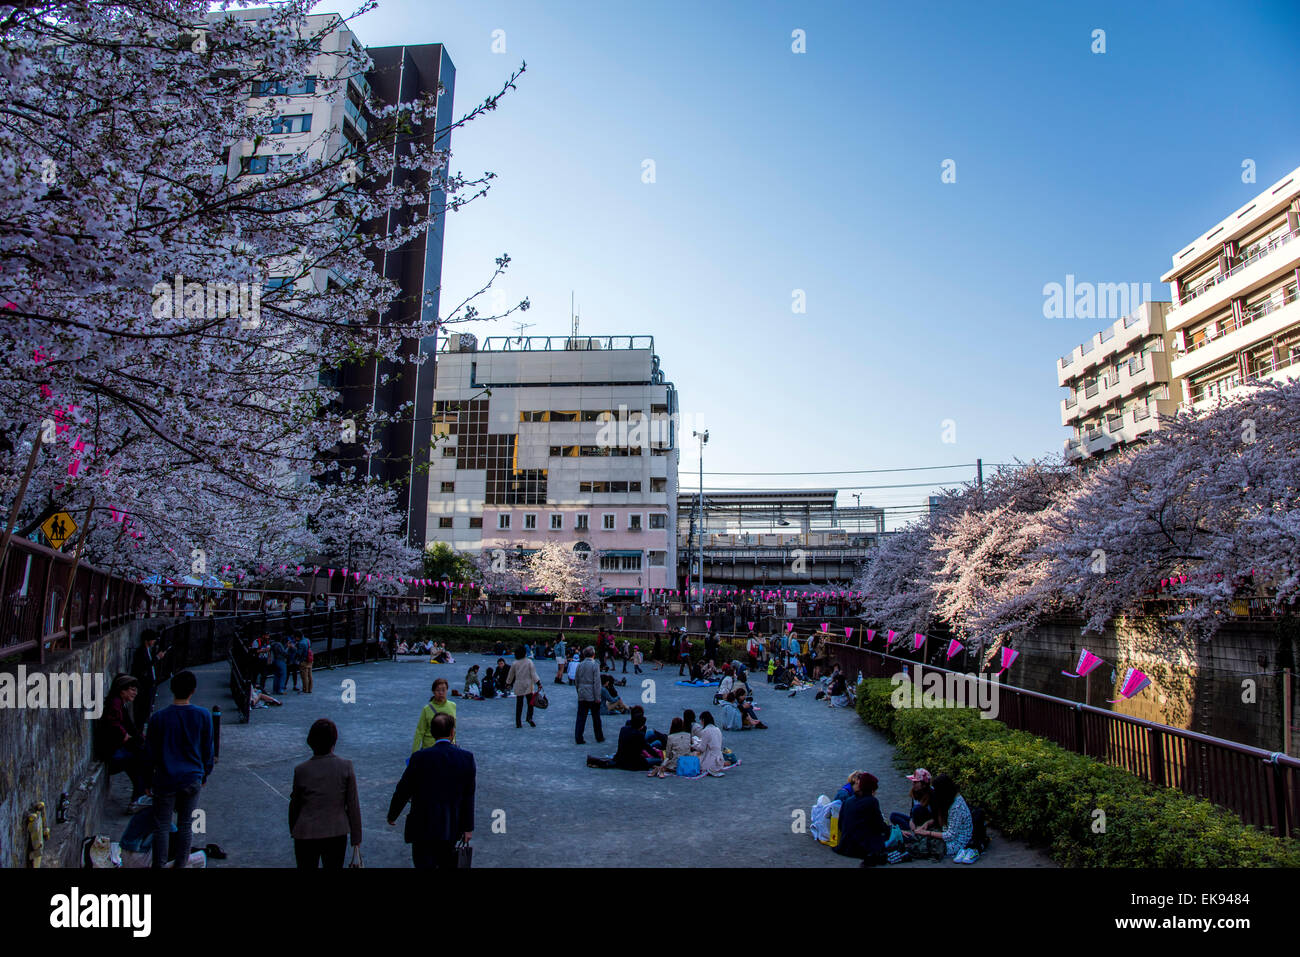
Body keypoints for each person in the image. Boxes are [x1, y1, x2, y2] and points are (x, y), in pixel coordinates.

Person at [387, 713, 475, 869]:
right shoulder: (466, 758)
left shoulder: (419, 758)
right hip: (451, 826)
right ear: (452, 732)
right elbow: (468, 796)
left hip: (423, 826)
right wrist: (468, 828)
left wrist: (393, 814)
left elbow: (403, 790)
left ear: (432, 733)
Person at [147, 670, 213, 868]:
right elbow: (207, 749)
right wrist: (205, 773)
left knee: (161, 826)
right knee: (186, 825)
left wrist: (146, 781)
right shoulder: (203, 715)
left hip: (165, 778)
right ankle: (181, 864)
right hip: (192, 776)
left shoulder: (158, 718)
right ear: (193, 690)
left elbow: (149, 753)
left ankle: (159, 865)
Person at [289, 718, 362, 869]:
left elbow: (295, 805)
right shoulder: (345, 767)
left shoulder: (301, 770)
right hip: (335, 831)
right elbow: (353, 805)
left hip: (306, 832)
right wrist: (356, 837)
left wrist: (294, 828)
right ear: (334, 741)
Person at [96, 674, 151, 812]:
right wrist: (127, 737)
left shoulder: (120, 704)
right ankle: (139, 797)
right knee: (139, 761)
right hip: (111, 753)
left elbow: (131, 727)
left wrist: (141, 739)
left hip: (114, 750)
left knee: (141, 757)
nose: (135, 692)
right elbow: (115, 726)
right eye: (132, 689)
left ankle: (140, 796)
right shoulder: (115, 704)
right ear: (122, 690)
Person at [836, 771, 890, 866]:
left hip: (844, 845)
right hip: (860, 847)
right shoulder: (872, 801)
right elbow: (879, 826)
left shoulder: (848, 800)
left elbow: (840, 824)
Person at [915, 773, 974, 859]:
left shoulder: (957, 806)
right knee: (924, 838)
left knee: (925, 844)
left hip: (957, 843)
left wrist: (928, 833)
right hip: (949, 834)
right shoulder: (949, 800)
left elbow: (950, 835)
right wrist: (927, 823)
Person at [130, 630, 167, 731]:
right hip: (144, 686)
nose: (154, 641)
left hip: (149, 684)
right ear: (147, 640)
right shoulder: (141, 652)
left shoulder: (147, 651)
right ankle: (139, 731)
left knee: (146, 710)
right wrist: (157, 658)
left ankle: (141, 730)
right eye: (153, 639)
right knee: (142, 710)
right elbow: (143, 667)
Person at [412, 678, 457, 751]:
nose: (441, 693)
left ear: (447, 690)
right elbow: (420, 732)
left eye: (443, 690)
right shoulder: (426, 709)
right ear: (433, 692)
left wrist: (453, 743)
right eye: (438, 690)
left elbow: (454, 728)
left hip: (448, 747)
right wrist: (414, 751)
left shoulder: (453, 706)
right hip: (429, 747)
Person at [574, 645, 604, 744]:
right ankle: (599, 736)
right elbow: (597, 682)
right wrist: (598, 697)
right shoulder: (595, 665)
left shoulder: (580, 665)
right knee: (596, 717)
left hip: (582, 692)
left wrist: (578, 691)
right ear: (593, 655)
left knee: (581, 717)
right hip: (592, 693)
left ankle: (578, 737)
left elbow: (576, 680)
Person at [505, 645, 540, 728]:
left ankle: (518, 722)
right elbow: (533, 674)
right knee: (530, 703)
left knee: (519, 704)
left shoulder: (515, 663)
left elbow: (511, 675)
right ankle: (529, 717)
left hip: (519, 684)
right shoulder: (529, 662)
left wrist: (508, 683)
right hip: (528, 685)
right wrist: (538, 683)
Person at [694, 711, 731, 776]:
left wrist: (694, 745)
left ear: (703, 720)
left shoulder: (706, 731)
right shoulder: (717, 729)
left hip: (710, 762)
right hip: (719, 759)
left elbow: (702, 748)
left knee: (694, 755)